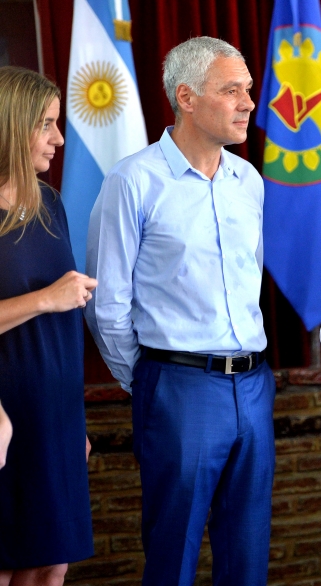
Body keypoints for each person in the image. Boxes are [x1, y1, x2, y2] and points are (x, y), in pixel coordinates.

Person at [85, 37, 274, 585]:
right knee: (174, 556)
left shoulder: (249, 183)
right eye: (231, 90)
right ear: (186, 97)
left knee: (248, 556)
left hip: (254, 384)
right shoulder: (133, 181)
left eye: (248, 90)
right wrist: (148, 379)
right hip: (179, 386)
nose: (247, 103)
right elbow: (107, 304)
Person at [0, 66, 96, 585]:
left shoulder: (51, 204)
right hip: (4, 420)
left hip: (55, 415)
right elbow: (51, 302)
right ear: (12, 125)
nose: (59, 138)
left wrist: (73, 421)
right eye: (47, 125)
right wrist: (46, 298)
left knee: (50, 566)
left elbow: (62, 327)